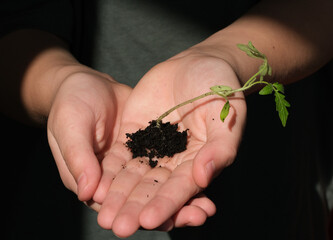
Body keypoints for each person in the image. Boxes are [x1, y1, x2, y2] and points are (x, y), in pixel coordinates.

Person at [1, 0, 332, 239]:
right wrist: (61, 82)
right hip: (61, 211)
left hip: (268, 199)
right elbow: (15, 27)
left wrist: (224, 55)